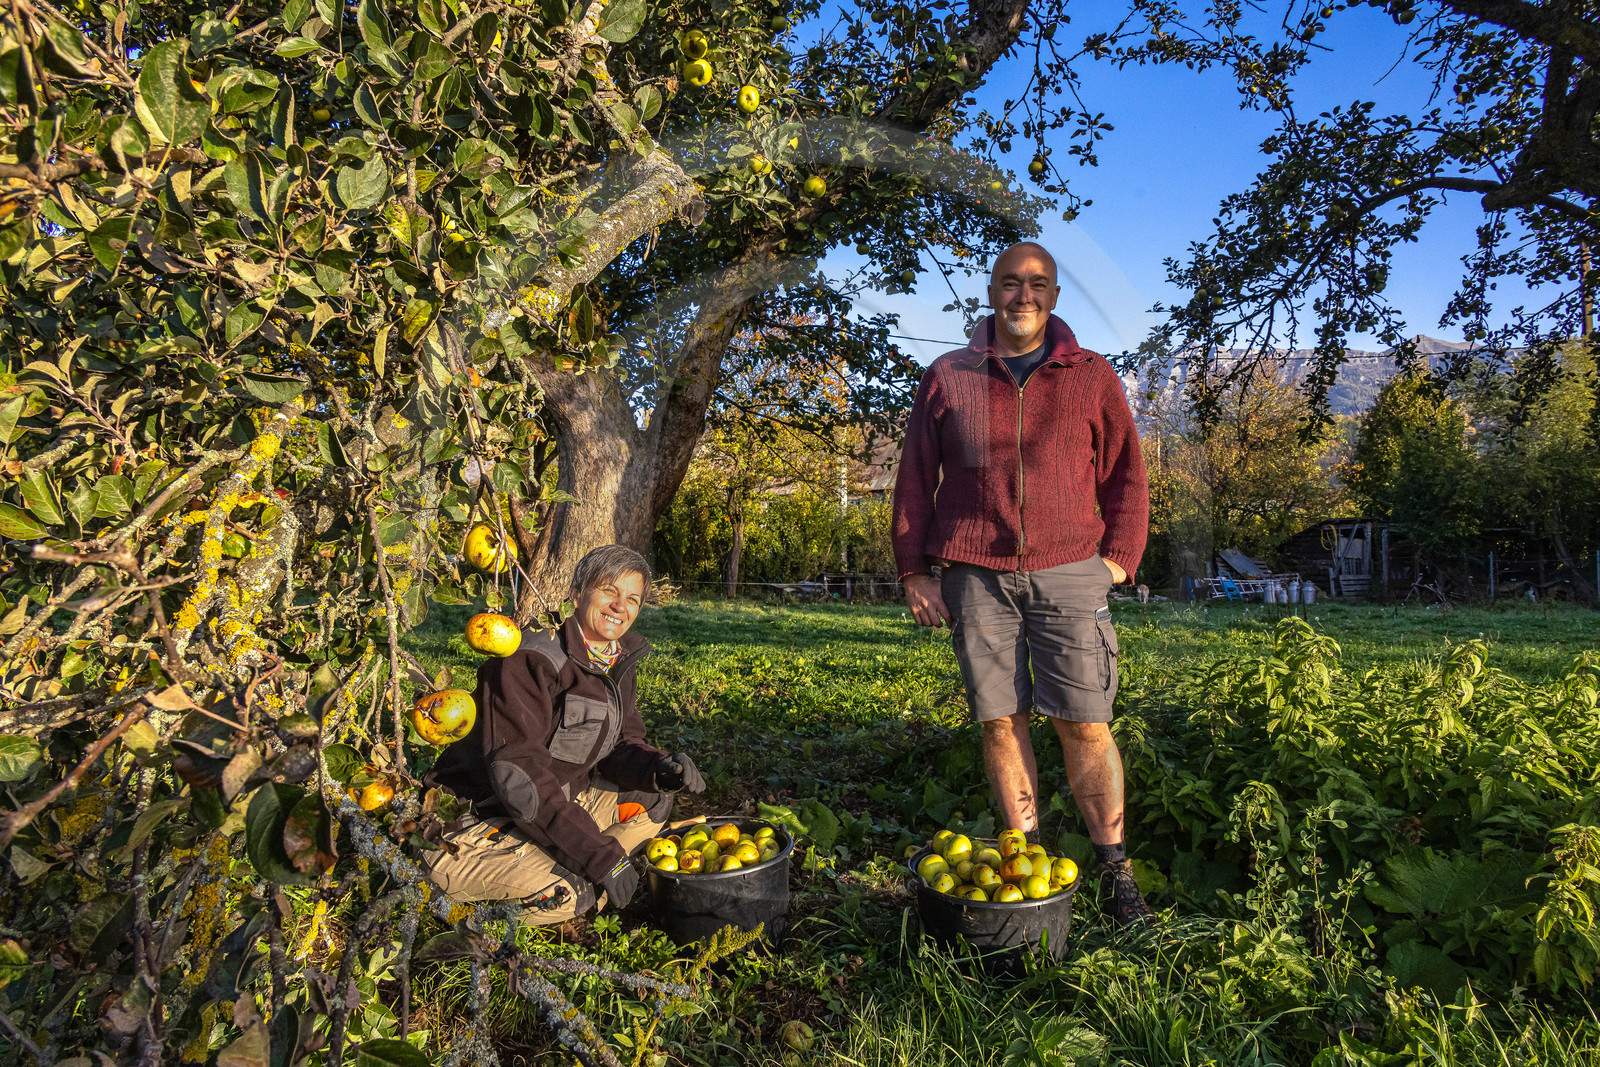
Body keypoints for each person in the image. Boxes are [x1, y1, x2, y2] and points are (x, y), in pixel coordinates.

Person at [891, 241, 1153, 924]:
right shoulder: (949, 375)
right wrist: (915, 567)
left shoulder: (1091, 375)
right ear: (991, 292)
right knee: (1002, 722)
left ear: (1056, 296)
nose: (1023, 296)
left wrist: (1119, 558)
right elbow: (916, 479)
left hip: (1070, 569)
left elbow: (1127, 473)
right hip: (976, 573)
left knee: (1086, 722)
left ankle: (1116, 870)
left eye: (1037, 284)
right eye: (1011, 283)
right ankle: (1027, 861)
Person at [422, 545, 704, 922]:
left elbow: (621, 744)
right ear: (576, 593)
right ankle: (568, 881)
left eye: (633, 598)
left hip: (553, 800)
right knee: (568, 894)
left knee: (654, 799)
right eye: (609, 590)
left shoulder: (615, 660)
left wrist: (660, 767)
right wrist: (597, 855)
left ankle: (588, 869)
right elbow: (518, 776)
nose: (621, 606)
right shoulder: (529, 658)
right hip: (473, 822)